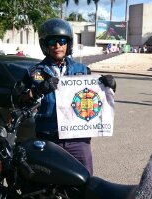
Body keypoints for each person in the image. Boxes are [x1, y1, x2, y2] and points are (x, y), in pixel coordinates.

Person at [21, 18, 116, 175]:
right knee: (47, 183)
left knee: (85, 181)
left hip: (78, 139)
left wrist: (109, 88)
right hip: (48, 137)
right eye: (52, 41)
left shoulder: (82, 70)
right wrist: (38, 91)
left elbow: (93, 99)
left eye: (62, 41)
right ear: (45, 44)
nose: (57, 45)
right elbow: (18, 100)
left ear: (68, 44)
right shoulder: (33, 72)